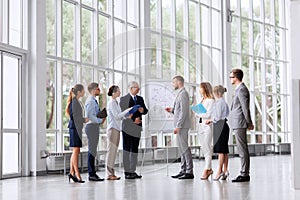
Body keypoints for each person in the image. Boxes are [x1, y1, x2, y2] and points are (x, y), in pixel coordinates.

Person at [228, 68, 254, 182]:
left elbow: (245, 108)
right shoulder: (238, 89)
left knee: (242, 148)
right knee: (241, 148)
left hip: (240, 122)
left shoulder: (242, 89)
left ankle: (244, 173)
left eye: (231, 77)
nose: (230, 79)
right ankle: (244, 172)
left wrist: (249, 122)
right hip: (237, 122)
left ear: (236, 77)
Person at [166, 75, 194, 179]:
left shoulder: (183, 94)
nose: (173, 84)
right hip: (180, 125)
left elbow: (184, 111)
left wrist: (179, 125)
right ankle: (183, 169)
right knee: (181, 148)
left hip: (182, 126)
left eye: (174, 82)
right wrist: (172, 110)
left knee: (185, 147)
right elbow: (179, 110)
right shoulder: (180, 94)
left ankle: (189, 171)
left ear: (179, 82)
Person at [120, 81, 148, 179]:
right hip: (127, 128)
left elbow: (145, 110)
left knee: (135, 150)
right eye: (136, 87)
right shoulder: (123, 99)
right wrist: (133, 120)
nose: (138, 89)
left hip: (137, 128)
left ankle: (133, 171)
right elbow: (123, 113)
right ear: (131, 88)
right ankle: (127, 172)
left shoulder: (140, 99)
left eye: (138, 87)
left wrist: (142, 110)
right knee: (127, 150)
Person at [106, 85, 132, 180]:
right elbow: (117, 116)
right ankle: (109, 174)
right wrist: (127, 111)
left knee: (114, 152)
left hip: (116, 129)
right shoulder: (112, 103)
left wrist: (127, 116)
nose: (120, 92)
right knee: (111, 152)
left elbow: (119, 116)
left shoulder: (115, 102)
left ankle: (111, 173)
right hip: (113, 129)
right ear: (114, 92)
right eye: (118, 91)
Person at [206, 85, 230, 181]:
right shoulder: (223, 102)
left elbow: (217, 116)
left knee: (221, 150)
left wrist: (210, 120)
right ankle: (225, 170)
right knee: (224, 150)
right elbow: (225, 114)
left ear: (217, 93)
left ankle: (219, 171)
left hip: (220, 126)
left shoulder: (219, 103)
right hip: (223, 125)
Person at [65, 84, 87, 183]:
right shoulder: (74, 102)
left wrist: (83, 120)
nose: (84, 92)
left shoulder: (76, 102)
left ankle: (72, 173)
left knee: (76, 151)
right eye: (83, 90)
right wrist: (84, 120)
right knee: (76, 151)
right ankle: (77, 175)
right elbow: (75, 117)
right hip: (74, 128)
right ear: (79, 92)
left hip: (76, 128)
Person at [85, 82, 106, 181]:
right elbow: (90, 116)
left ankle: (93, 173)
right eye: (98, 89)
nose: (99, 91)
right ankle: (91, 174)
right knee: (92, 151)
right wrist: (100, 120)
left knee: (93, 150)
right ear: (93, 90)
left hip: (94, 126)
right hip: (92, 127)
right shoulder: (90, 101)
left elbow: (95, 114)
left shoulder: (94, 101)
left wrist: (101, 115)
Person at [196, 82, 214, 180]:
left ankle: (207, 169)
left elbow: (208, 114)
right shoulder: (201, 100)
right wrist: (198, 113)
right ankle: (209, 168)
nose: (199, 90)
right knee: (204, 148)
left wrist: (198, 113)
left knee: (207, 147)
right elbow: (200, 113)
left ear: (205, 89)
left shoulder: (211, 101)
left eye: (201, 88)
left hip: (207, 126)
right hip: (200, 126)